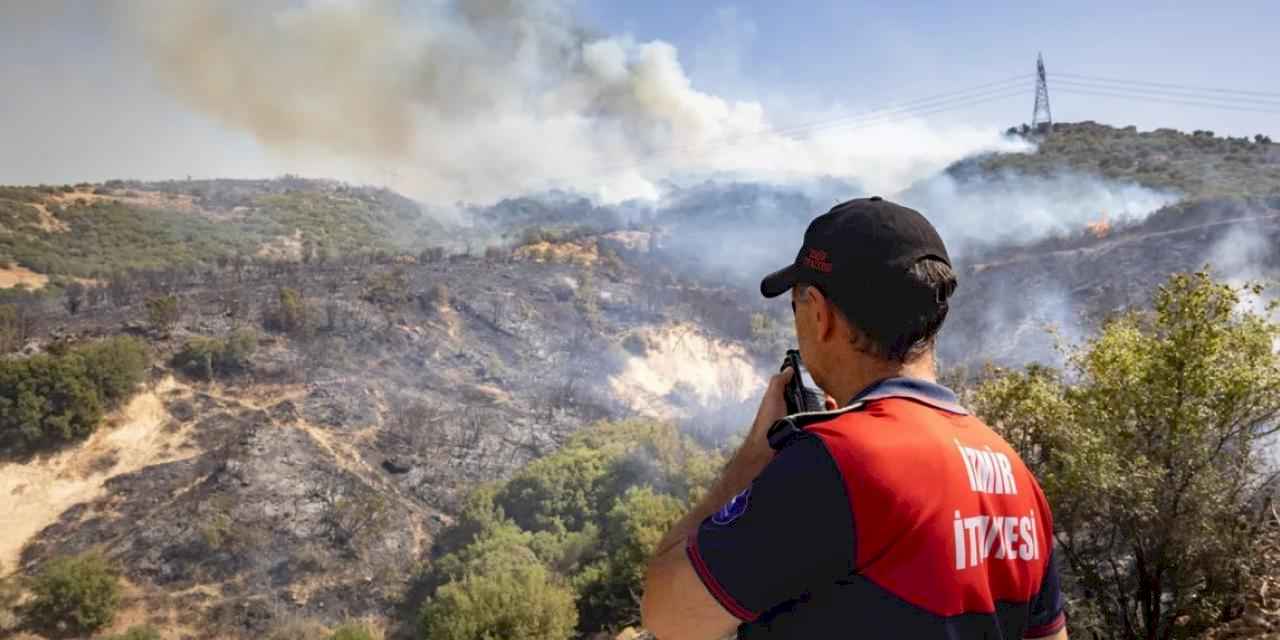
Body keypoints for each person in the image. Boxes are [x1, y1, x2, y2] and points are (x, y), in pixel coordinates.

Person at [641, 197, 1067, 639]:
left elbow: (670, 615)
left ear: (820, 315)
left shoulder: (837, 461)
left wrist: (753, 457)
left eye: (796, 308)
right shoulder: (1016, 476)